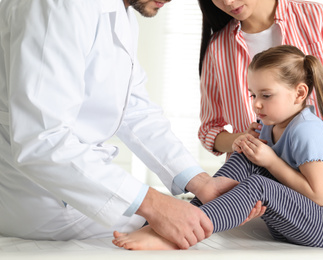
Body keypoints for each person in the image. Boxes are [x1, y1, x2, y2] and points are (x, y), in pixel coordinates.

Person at [0, 0, 264, 249]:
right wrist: (154, 205)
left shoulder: (122, 14)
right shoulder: (56, 6)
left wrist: (200, 181)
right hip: (40, 201)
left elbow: (136, 111)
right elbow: (42, 141)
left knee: (192, 224)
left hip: (76, 188)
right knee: (184, 233)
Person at [112, 45, 323, 250]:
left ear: (299, 93)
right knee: (245, 157)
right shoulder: (270, 125)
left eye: (266, 95)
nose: (257, 105)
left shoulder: (308, 131)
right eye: (253, 95)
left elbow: (319, 196)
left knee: (260, 182)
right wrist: (248, 147)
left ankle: (185, 231)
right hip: (295, 221)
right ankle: (185, 218)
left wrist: (271, 161)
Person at [197, 0, 323, 201]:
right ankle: (187, 219)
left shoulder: (314, 18)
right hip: (252, 190)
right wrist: (242, 141)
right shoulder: (218, 47)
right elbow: (209, 129)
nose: (228, 2)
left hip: (316, 183)